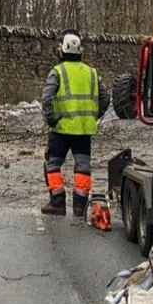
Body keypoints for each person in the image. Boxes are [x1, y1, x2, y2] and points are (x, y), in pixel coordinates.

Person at [39, 32, 110, 218]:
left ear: (61, 51)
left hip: (61, 129)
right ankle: (80, 207)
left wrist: (52, 119)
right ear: (81, 51)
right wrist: (94, 116)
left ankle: (57, 203)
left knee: (52, 163)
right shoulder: (92, 73)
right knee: (83, 167)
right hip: (84, 130)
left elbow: (46, 99)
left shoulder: (57, 72)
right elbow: (105, 97)